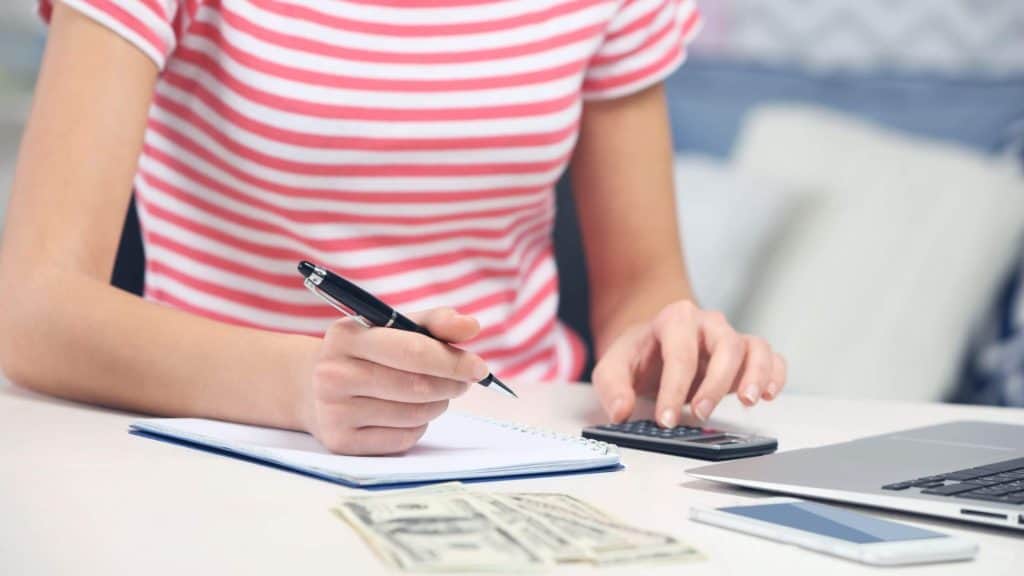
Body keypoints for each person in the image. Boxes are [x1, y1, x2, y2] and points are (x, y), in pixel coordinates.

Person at [0, 0, 786, 455]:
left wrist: (662, 344)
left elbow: (643, 285)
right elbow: (35, 308)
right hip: (227, 445)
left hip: (533, 449)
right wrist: (303, 388)